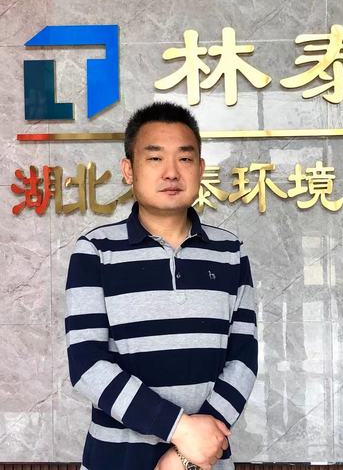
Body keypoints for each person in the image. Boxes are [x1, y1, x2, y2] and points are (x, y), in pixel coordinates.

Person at [64, 102, 258, 470]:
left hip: (204, 462)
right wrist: (179, 428)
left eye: (184, 159)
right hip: (115, 459)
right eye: (155, 158)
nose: (171, 172)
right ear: (129, 170)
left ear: (200, 169)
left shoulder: (230, 252)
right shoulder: (95, 251)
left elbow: (243, 359)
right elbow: (87, 364)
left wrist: (186, 456)